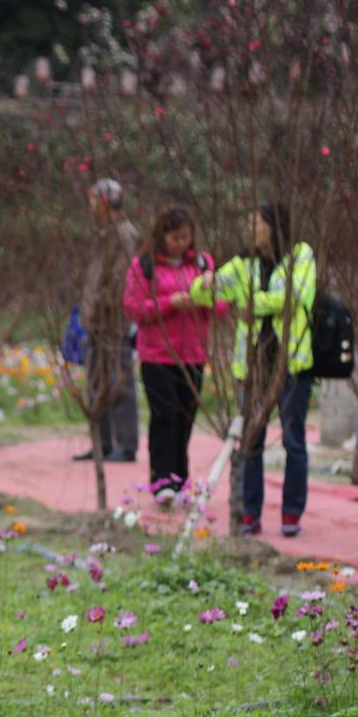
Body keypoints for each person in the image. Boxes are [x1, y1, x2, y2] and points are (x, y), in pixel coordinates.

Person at [191, 202, 317, 537]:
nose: (251, 228)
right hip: (253, 365)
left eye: (256, 222)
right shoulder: (244, 263)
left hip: (290, 363)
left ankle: (292, 512)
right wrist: (203, 283)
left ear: (274, 226)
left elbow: (293, 297)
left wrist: (250, 305)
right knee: (250, 441)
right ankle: (250, 512)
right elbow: (205, 292)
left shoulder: (300, 255)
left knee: (293, 441)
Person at [122, 205, 226, 503]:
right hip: (158, 355)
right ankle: (161, 482)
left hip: (193, 354)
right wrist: (169, 304)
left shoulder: (204, 265)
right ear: (162, 236)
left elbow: (222, 305)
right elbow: (133, 308)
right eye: (175, 237)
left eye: (186, 237)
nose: (181, 243)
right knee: (164, 417)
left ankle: (180, 483)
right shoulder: (144, 266)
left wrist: (205, 296)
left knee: (185, 418)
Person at [75, 179, 140, 463]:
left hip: (114, 323)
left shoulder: (124, 234)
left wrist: (102, 307)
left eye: (93, 200)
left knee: (120, 383)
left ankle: (126, 444)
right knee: (96, 383)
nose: (90, 207)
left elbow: (118, 281)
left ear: (105, 202)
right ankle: (101, 443)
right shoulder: (104, 234)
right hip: (97, 324)